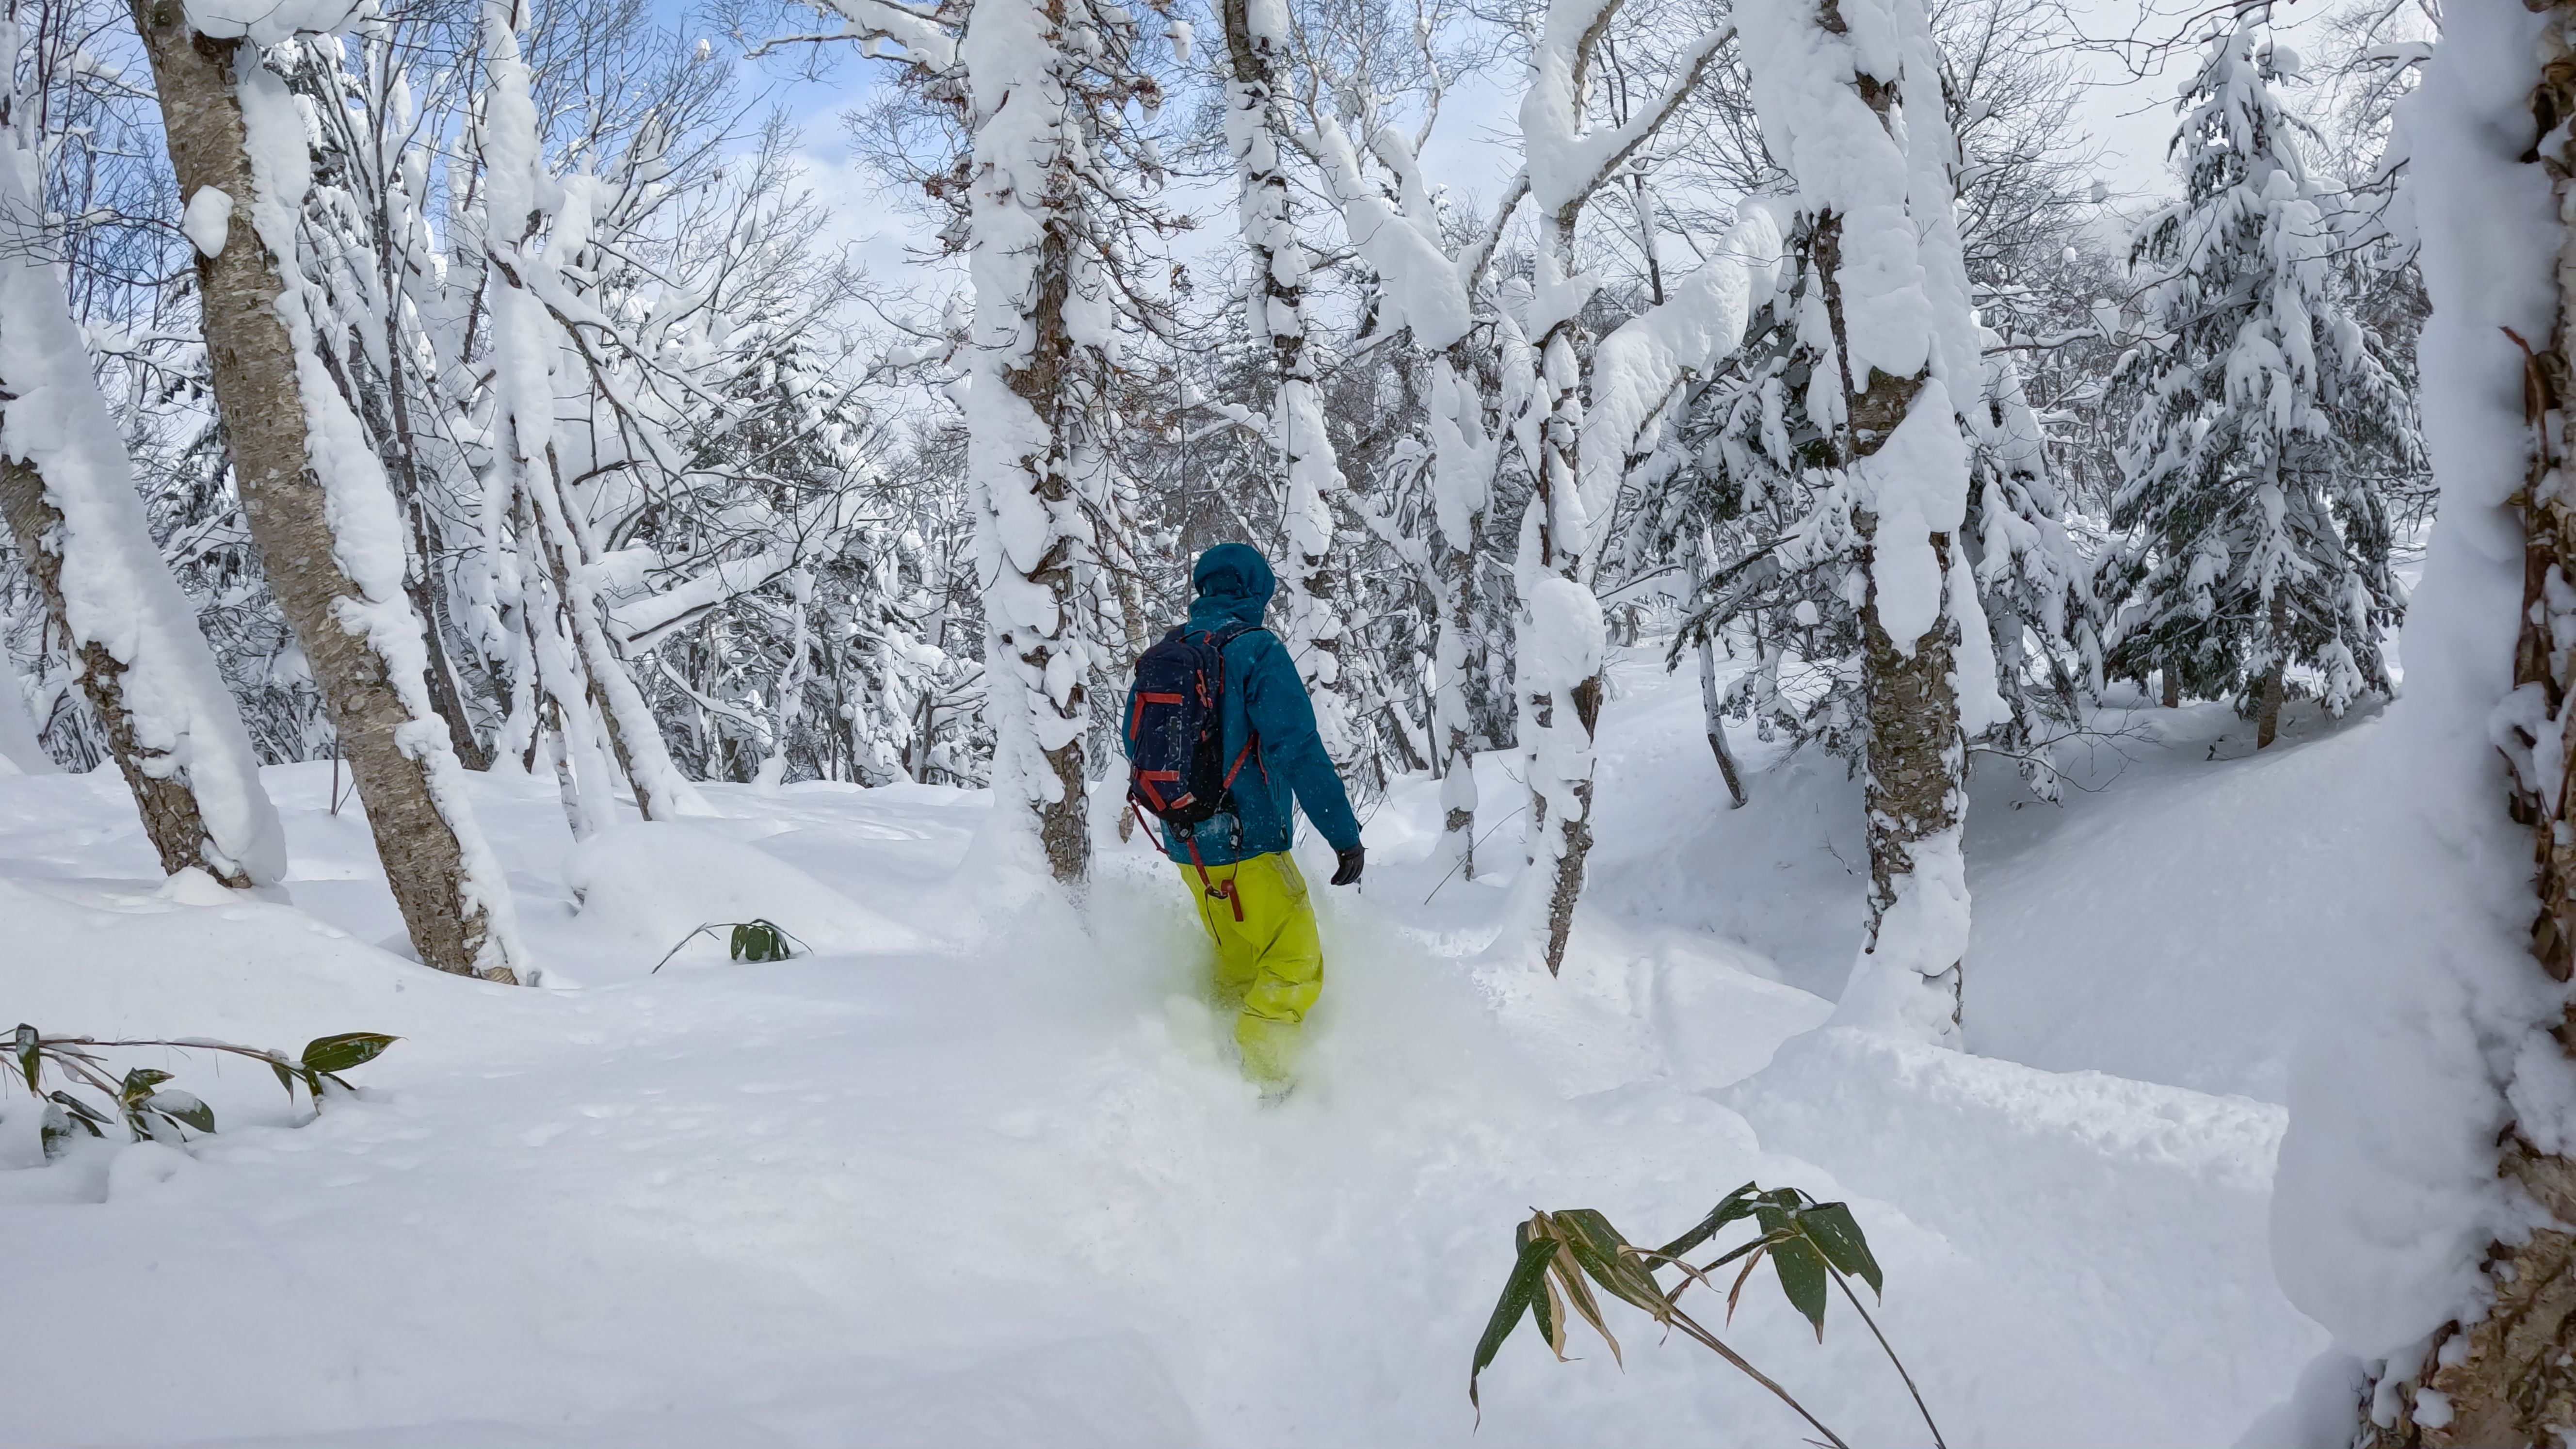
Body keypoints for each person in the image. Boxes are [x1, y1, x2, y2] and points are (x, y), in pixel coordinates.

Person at [1127, 542, 1364, 1095]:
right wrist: (1344, 837)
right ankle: (1268, 1085)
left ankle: (1210, 1066)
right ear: (1258, 591)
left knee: (1237, 962)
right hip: (1249, 842)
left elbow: (1132, 742)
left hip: (1187, 845)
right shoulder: (1256, 649)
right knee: (1293, 963)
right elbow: (1297, 748)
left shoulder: (1165, 651)